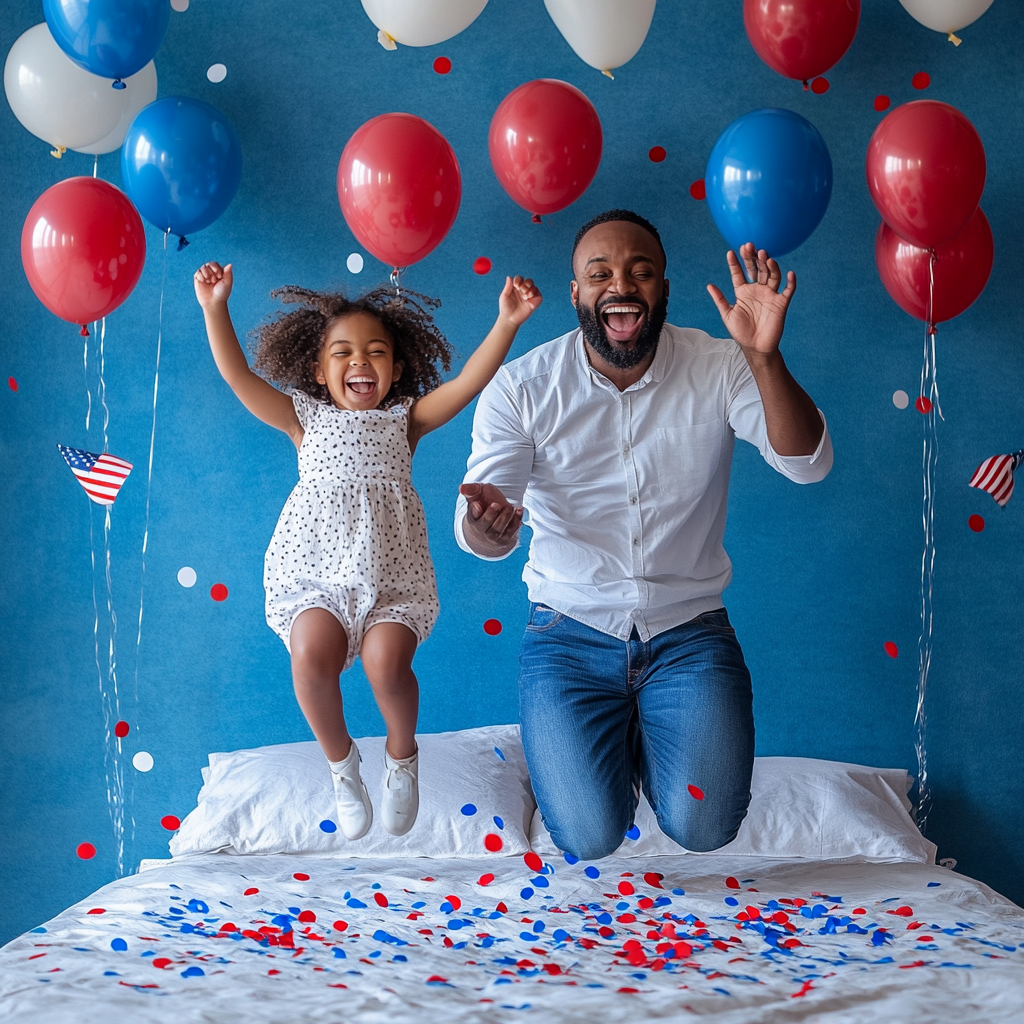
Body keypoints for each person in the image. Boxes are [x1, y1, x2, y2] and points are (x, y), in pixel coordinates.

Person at [454, 209, 832, 859]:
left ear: (662, 288)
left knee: (705, 829)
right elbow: (486, 527)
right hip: (567, 638)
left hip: (689, 635)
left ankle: (645, 731)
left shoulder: (721, 365)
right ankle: (600, 744)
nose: (620, 285)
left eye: (641, 271)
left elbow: (808, 463)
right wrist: (487, 526)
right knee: (587, 836)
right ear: (576, 293)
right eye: (599, 273)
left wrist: (765, 360)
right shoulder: (522, 387)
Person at [194, 262, 541, 840]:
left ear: (398, 368)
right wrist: (215, 309)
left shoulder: (405, 422)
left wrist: (506, 322)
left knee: (387, 665)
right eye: (343, 353)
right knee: (309, 656)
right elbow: (237, 377)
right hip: (316, 575)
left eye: (376, 351)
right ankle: (342, 766)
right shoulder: (303, 419)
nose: (360, 362)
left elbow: (466, 385)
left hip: (392, 580)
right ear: (318, 371)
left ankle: (402, 759)